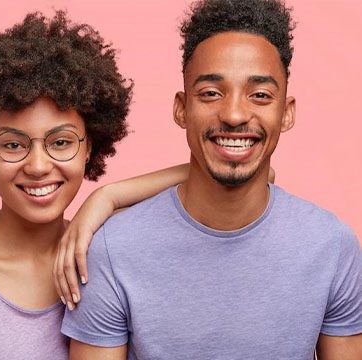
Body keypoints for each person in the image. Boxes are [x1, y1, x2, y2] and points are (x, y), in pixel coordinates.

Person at [60, 0, 362, 358]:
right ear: (182, 108)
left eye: (260, 95)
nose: (234, 114)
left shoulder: (332, 247)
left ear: (286, 113)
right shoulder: (112, 252)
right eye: (211, 93)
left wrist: (109, 195)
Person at [0, 11, 192, 359]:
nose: (39, 166)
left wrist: (106, 197)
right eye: (13, 144)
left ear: (89, 146)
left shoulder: (107, 250)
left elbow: (252, 179)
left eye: (61, 142)